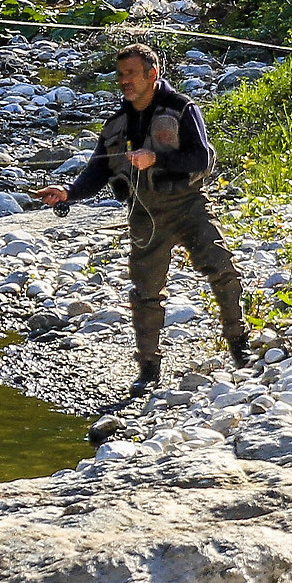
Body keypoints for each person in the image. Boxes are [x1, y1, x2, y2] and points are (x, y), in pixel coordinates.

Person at [34, 41, 248, 398]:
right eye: (120, 75)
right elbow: (97, 170)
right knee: (146, 293)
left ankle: (239, 345)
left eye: (130, 74)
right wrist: (69, 193)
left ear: (153, 74)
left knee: (222, 268)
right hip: (144, 215)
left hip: (188, 205)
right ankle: (148, 369)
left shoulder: (181, 109)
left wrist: (158, 160)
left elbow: (202, 159)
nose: (123, 81)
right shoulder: (117, 123)